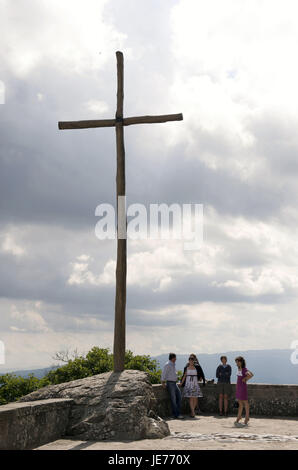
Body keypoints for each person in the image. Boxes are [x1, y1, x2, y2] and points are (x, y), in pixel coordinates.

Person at [180, 354, 205, 418]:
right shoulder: (187, 368)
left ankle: (192, 411)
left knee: (194, 398)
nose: (191, 361)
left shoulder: (196, 368)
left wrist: (201, 378)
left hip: (194, 383)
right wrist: (181, 383)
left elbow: (200, 375)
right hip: (189, 383)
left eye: (192, 360)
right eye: (190, 360)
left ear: (194, 361)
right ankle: (193, 412)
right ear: (188, 361)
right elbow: (184, 376)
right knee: (191, 398)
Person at [161, 353, 183, 419]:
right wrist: (163, 382)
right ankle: (176, 414)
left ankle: (177, 413)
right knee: (173, 399)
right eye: (175, 358)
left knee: (179, 397)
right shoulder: (168, 364)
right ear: (172, 358)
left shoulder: (172, 364)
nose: (176, 359)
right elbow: (164, 373)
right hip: (170, 383)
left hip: (174, 383)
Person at [234, 356, 254, 427]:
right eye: (236, 362)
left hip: (243, 388)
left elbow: (251, 375)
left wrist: (245, 379)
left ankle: (247, 417)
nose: (236, 363)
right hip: (239, 388)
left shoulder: (244, 369)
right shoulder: (239, 369)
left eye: (237, 362)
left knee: (245, 402)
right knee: (240, 403)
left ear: (241, 362)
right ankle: (239, 417)